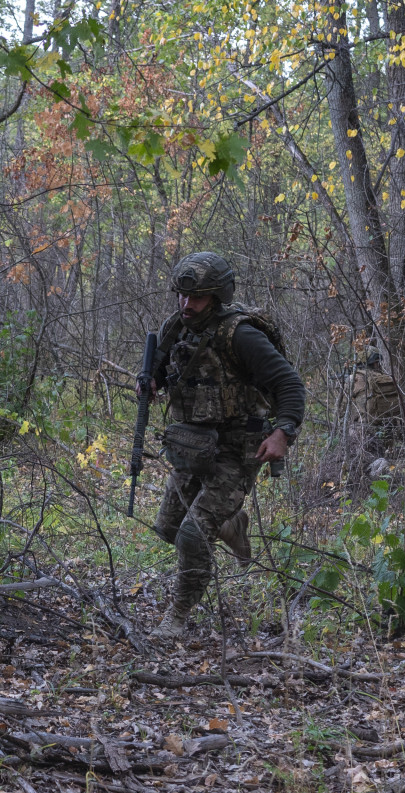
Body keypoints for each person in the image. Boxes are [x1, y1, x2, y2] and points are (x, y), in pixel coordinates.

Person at [139, 251, 306, 641]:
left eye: (196, 297)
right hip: (194, 444)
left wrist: (283, 433)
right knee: (168, 527)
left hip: (239, 447)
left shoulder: (241, 336)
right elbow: (164, 370)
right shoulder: (176, 328)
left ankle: (176, 618)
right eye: (182, 295)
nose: (187, 304)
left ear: (217, 297)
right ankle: (231, 524)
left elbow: (290, 385)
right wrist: (150, 380)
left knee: (192, 535)